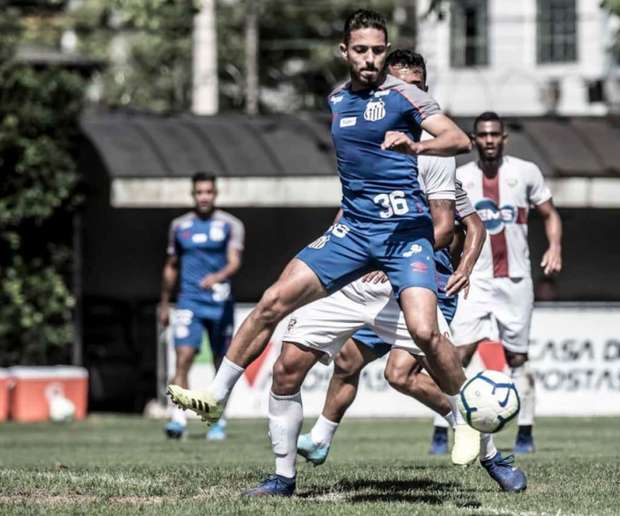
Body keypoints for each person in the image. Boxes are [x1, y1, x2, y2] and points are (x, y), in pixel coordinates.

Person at [168, 7, 471, 478]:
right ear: (345, 51)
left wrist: (417, 146)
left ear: (386, 52)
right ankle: (217, 395)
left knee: (425, 333)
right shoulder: (336, 100)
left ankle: (465, 418)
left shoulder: (405, 95)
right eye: (362, 50)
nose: (370, 58)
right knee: (273, 300)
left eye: (378, 50)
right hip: (352, 233)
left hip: (404, 235)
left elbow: (457, 139)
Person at [289, 51, 525, 493]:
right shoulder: (371, 150)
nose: (406, 95)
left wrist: (466, 264)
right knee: (348, 360)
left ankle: (489, 451)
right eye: (399, 86)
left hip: (424, 277)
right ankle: (320, 438)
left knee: (406, 373)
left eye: (415, 87)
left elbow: (466, 224)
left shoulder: (434, 157)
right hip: (381, 276)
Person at [453, 111, 563, 455]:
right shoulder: (459, 177)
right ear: (473, 140)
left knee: (517, 358)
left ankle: (525, 432)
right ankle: (448, 431)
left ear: (504, 139)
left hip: (515, 280)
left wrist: (555, 247)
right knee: (456, 357)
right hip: (475, 280)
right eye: (482, 135)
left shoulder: (525, 172)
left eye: (494, 135)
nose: (488, 140)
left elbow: (550, 213)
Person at [159, 172, 244, 440]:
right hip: (188, 301)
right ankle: (178, 419)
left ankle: (216, 419)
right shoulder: (179, 226)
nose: (204, 197)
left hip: (219, 302)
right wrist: (164, 303)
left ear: (215, 194)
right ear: (193, 195)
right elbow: (171, 266)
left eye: (208, 192)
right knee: (183, 358)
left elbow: (234, 261)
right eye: (199, 192)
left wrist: (217, 277)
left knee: (221, 362)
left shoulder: (231, 224)